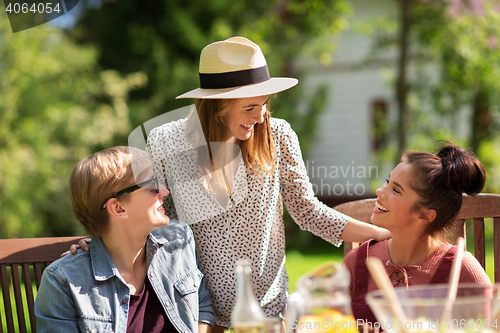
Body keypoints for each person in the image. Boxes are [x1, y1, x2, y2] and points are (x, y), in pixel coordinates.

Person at [70, 36, 391, 331]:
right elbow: (153, 220)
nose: (262, 115)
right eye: (250, 107)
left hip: (270, 312)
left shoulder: (278, 136)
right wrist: (102, 245)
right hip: (197, 310)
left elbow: (309, 212)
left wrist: (382, 234)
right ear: (216, 106)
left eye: (265, 103)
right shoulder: (166, 142)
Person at [35, 146, 216, 333]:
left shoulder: (178, 240)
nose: (164, 191)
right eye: (152, 185)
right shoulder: (63, 282)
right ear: (118, 209)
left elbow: (202, 310)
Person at [342, 142, 492, 327]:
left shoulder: (461, 268)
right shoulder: (356, 261)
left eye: (396, 190)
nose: (380, 191)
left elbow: (491, 326)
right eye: (387, 182)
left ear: (425, 215)